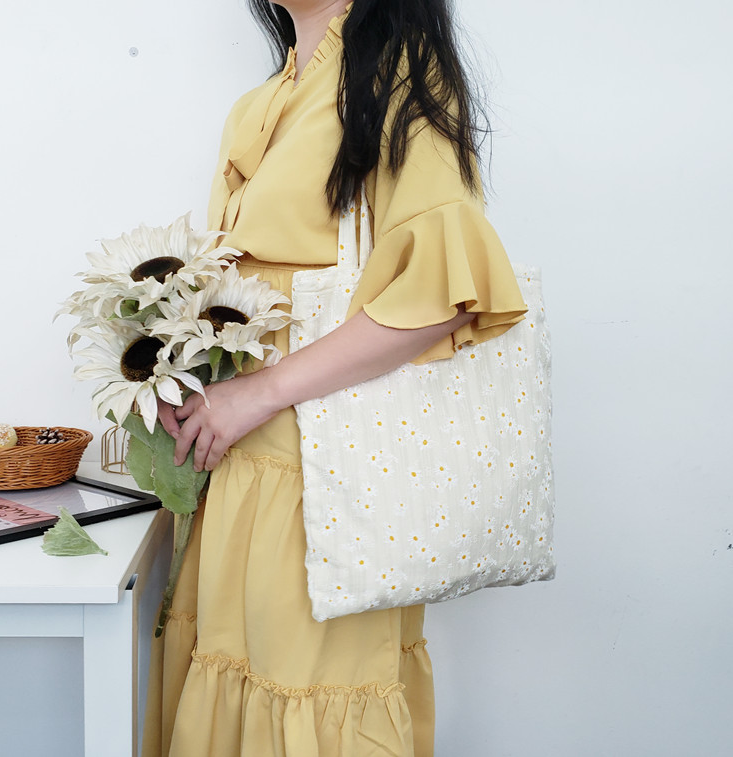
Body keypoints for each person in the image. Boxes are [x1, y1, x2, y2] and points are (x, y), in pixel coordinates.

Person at [142, 1, 527, 755]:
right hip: (237, 468)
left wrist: (259, 391)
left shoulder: (397, 70)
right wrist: (181, 373)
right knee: (237, 685)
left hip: (334, 474)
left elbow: (442, 296)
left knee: (314, 709)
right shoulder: (260, 103)